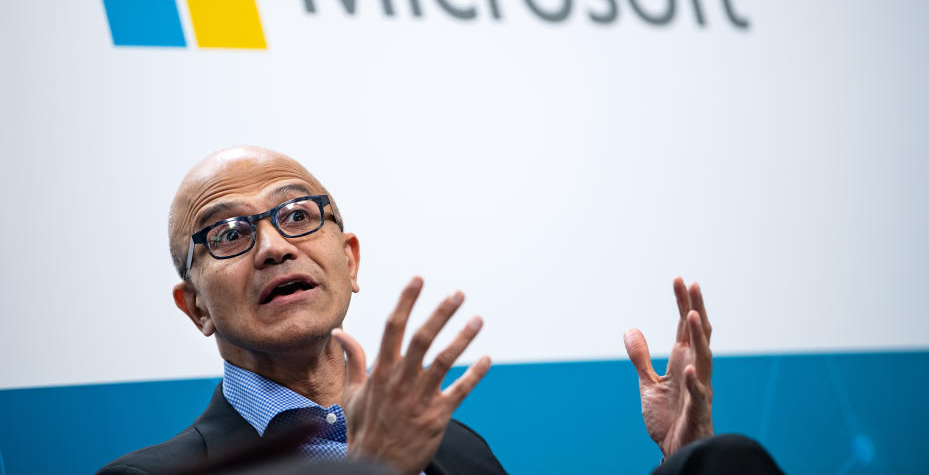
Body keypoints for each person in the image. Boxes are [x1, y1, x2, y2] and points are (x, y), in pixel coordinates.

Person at [98, 146, 780, 475]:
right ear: (196, 309)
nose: (274, 247)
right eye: (228, 233)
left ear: (351, 261)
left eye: (298, 215)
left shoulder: (455, 449)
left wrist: (684, 462)